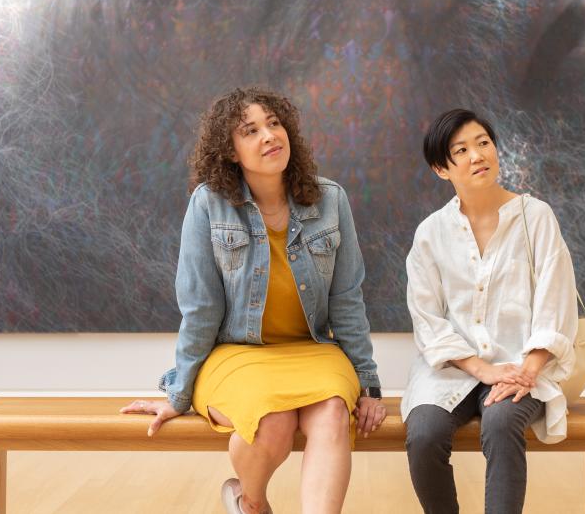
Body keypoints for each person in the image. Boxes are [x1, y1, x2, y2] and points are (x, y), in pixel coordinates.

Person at [121, 87, 386, 514]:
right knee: (271, 420)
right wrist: (180, 394)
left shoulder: (331, 199)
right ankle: (253, 504)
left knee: (335, 410)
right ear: (229, 150)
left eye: (274, 124)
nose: (268, 136)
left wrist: (369, 385)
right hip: (236, 354)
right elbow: (200, 308)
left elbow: (347, 300)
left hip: (313, 351)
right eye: (251, 130)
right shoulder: (208, 203)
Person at [402, 108, 579, 514]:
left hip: (522, 363)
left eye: (483, 143)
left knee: (501, 424)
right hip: (453, 367)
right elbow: (427, 318)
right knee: (424, 434)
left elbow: (556, 302)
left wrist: (527, 370)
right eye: (461, 150)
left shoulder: (536, 217)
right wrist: (483, 369)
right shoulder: (431, 233)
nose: (477, 155)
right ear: (441, 169)